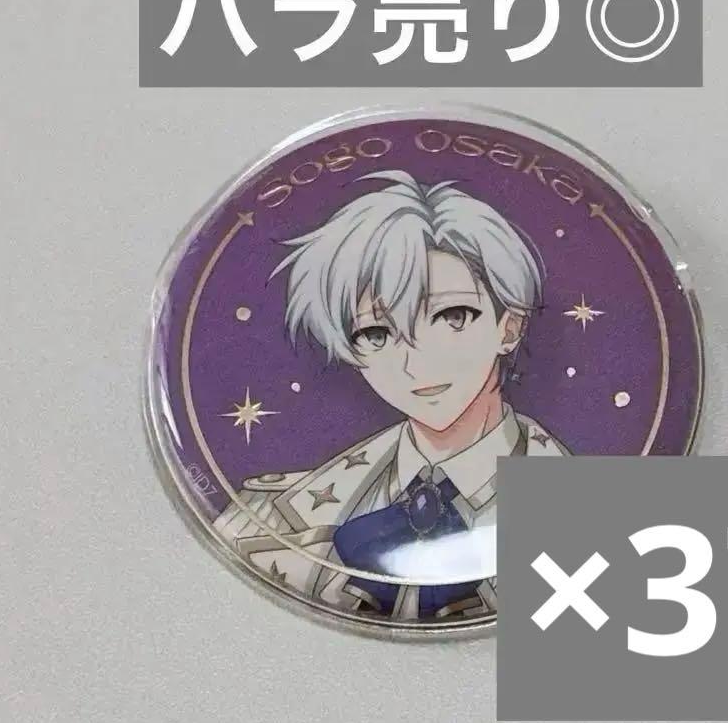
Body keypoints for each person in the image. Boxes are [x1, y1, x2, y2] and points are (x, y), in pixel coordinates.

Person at [213, 170, 569, 620]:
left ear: (509, 327)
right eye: (376, 334)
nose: (415, 362)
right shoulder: (271, 518)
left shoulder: (599, 518)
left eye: (453, 317)